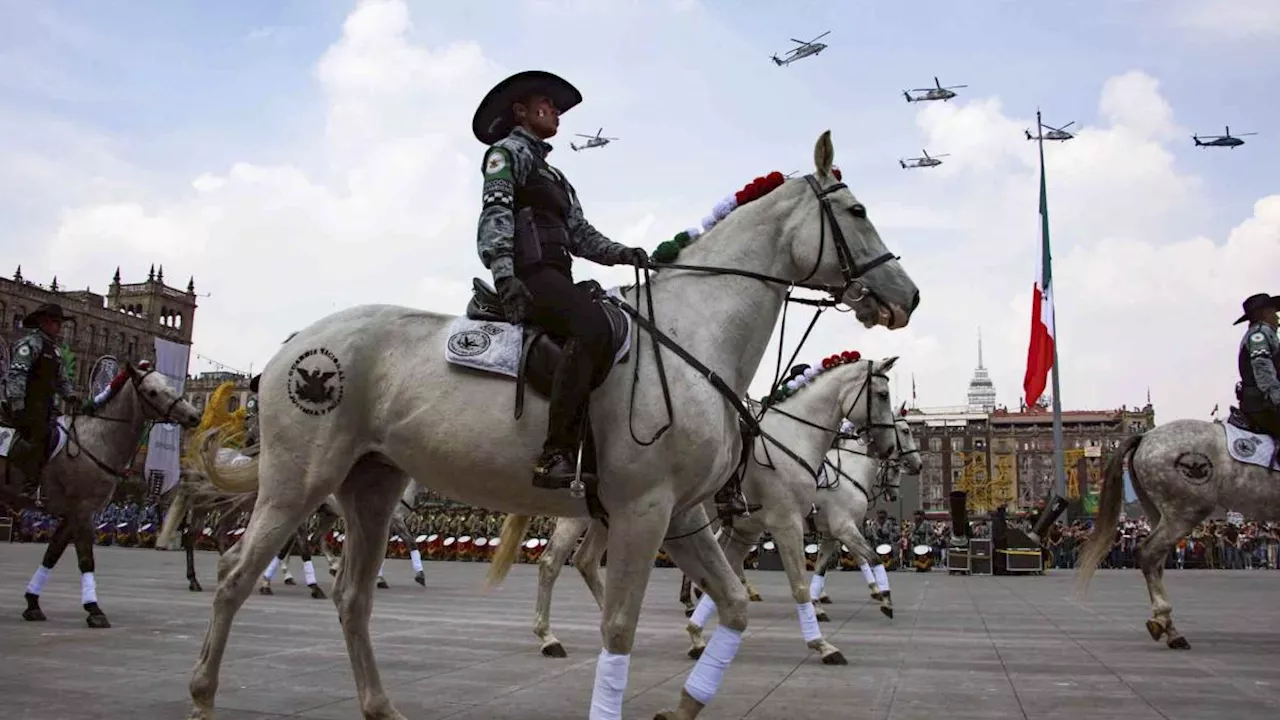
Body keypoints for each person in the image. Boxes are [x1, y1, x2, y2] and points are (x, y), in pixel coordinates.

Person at [471, 70, 651, 488]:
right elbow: (495, 212)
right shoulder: (506, 153)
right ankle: (555, 453)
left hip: (557, 275)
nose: (555, 112)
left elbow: (582, 236)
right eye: (548, 105)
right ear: (521, 110)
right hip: (528, 276)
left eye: (555, 108)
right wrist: (504, 275)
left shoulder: (557, 179)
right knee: (589, 327)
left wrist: (624, 254)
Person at [2, 303, 92, 498]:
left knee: (62, 436)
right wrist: (17, 405)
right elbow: (17, 375)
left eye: (59, 323)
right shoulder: (30, 345)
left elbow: (62, 380)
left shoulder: (56, 351)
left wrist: (71, 396)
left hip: (46, 407)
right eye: (54, 322)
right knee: (37, 435)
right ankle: (27, 484)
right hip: (26, 405)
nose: (58, 327)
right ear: (43, 322)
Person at [1234, 293, 1280, 465]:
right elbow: (1262, 368)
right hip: (1262, 402)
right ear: (1263, 314)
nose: (1277, 318)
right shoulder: (1260, 335)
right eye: (1274, 313)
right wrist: (1277, 399)